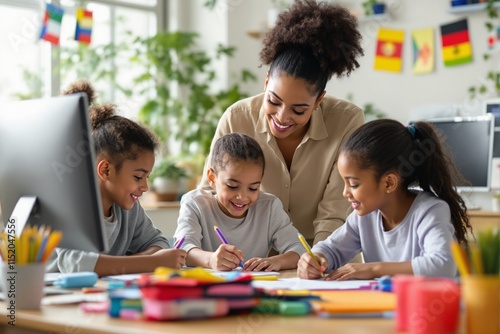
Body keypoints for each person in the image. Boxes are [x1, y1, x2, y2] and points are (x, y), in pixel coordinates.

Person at [200, 0, 365, 247]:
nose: (282, 117)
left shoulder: (346, 121)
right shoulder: (237, 117)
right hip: (251, 255)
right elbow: (209, 194)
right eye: (274, 101)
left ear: (319, 99)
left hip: (322, 251)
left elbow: (336, 208)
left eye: (299, 110)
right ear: (266, 82)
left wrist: (320, 257)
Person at [297, 119, 473, 280]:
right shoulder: (364, 217)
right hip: (389, 307)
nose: (345, 193)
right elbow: (331, 249)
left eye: (353, 184)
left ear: (389, 183)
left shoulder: (430, 211)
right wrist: (316, 258)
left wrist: (374, 269)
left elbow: (443, 265)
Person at [47, 80, 186, 277]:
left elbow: (158, 243)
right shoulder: (72, 207)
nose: (145, 187)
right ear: (105, 170)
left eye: (147, 177)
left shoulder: (128, 208)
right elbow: (77, 264)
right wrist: (151, 262)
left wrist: (144, 261)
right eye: (138, 176)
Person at [174, 133, 304, 271]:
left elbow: (299, 248)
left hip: (255, 287)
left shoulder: (269, 207)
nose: (242, 197)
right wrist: (211, 260)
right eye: (232, 186)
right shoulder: (195, 203)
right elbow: (182, 249)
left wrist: (277, 261)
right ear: (212, 178)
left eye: (253, 188)